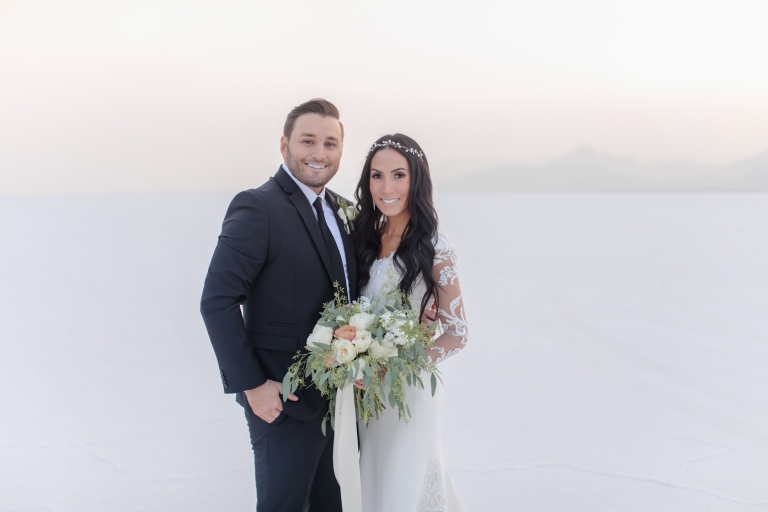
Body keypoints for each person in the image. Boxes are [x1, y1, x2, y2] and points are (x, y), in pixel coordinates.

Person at [200, 98, 354, 511]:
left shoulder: (343, 211)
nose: (319, 153)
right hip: (281, 402)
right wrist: (253, 385)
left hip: (339, 401)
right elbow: (217, 300)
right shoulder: (258, 206)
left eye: (330, 143)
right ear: (284, 145)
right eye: (308, 141)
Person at [352, 134, 470, 511]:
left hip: (410, 395)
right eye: (377, 175)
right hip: (365, 397)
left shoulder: (435, 246)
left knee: (405, 488)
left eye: (398, 175)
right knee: (374, 486)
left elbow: (457, 333)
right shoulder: (364, 239)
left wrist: (397, 368)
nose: (387, 188)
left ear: (416, 179)